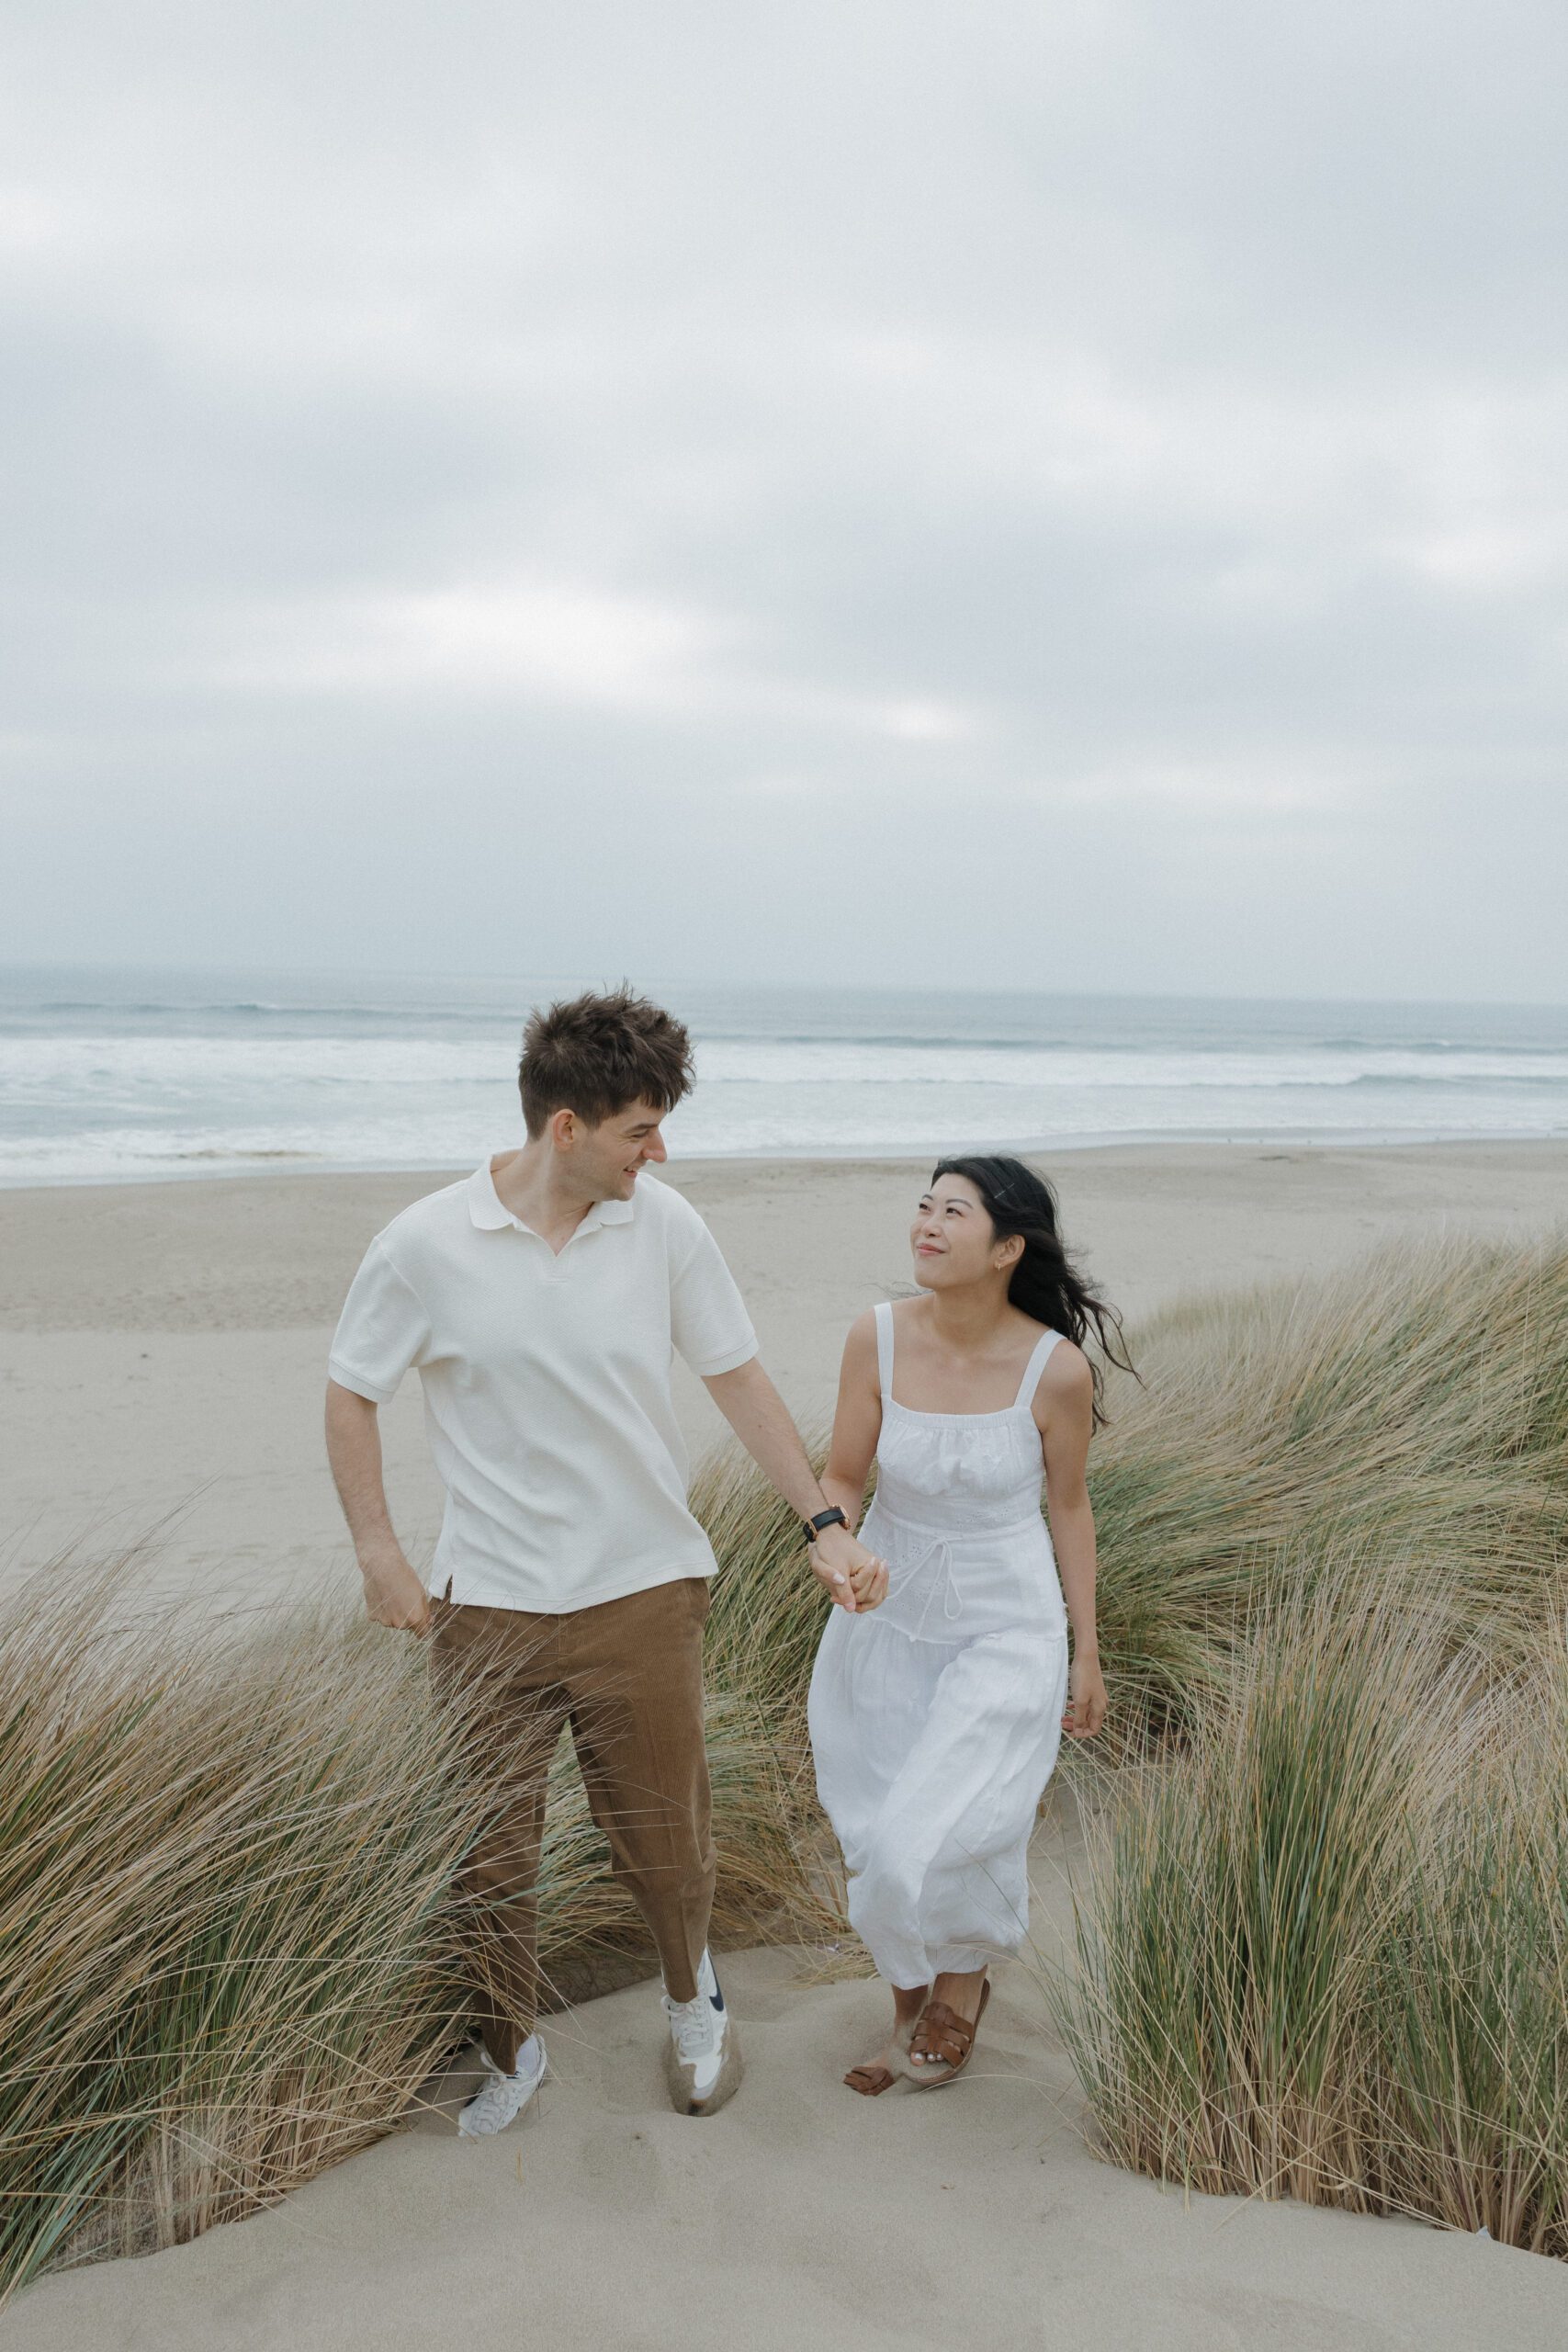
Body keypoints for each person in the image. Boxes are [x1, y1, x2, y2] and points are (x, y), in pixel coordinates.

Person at [325, 987, 886, 2136]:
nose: (660, 1149)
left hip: (642, 1590)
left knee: (664, 1842)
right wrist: (380, 1552)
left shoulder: (666, 1225)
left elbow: (737, 1375)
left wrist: (824, 1525)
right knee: (487, 1859)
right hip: (485, 1607)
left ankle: (695, 2003)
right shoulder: (423, 1243)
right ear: (565, 1127)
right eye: (641, 1127)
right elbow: (351, 1393)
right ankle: (509, 2046)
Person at [807, 1154, 1127, 2093]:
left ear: (1006, 1249)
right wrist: (838, 1555)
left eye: (955, 1211)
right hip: (886, 1618)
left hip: (1007, 1623)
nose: (927, 1224)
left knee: (951, 1824)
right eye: (923, 1206)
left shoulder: (1055, 1368)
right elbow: (840, 1479)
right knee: (876, 1831)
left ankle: (960, 1985)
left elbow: (1070, 1509)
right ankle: (912, 2003)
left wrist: (1088, 1651)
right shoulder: (875, 1337)